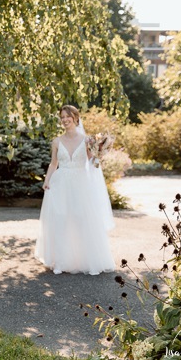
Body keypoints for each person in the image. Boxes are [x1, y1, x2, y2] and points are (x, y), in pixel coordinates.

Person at [35, 105, 116, 275]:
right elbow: (53, 163)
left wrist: (98, 153)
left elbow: (91, 162)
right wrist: (47, 180)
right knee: (61, 220)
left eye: (68, 116)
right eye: (62, 117)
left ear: (75, 118)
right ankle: (61, 262)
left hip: (80, 183)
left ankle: (85, 260)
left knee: (81, 219)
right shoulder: (56, 142)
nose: (65, 120)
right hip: (61, 183)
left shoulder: (87, 140)